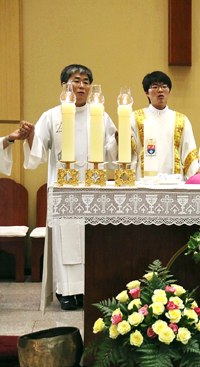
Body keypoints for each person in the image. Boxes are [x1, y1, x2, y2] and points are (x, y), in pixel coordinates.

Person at [23, 64, 118, 310]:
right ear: (65, 85)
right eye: (76, 80)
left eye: (86, 81)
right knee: (66, 239)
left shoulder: (101, 115)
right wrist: (30, 135)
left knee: (91, 239)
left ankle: (90, 288)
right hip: (64, 189)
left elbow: (111, 152)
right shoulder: (52, 116)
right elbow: (38, 153)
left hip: (93, 188)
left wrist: (119, 141)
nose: (82, 86)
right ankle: (66, 291)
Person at [130, 71, 199, 179]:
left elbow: (189, 152)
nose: (160, 90)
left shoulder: (181, 120)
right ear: (146, 92)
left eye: (164, 86)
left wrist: (196, 175)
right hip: (144, 181)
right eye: (155, 87)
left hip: (174, 182)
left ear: (169, 91)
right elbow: (128, 152)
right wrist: (120, 141)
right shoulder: (136, 118)